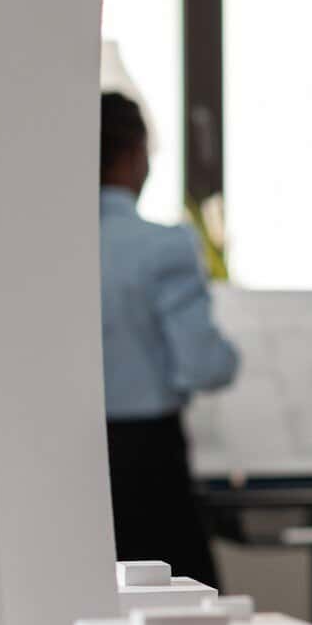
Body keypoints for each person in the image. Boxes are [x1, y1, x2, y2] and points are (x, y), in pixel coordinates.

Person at [99, 91, 239, 588]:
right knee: (180, 620)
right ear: (134, 155)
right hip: (147, 456)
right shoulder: (164, 246)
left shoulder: (44, 246)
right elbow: (204, 366)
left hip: (64, 455)